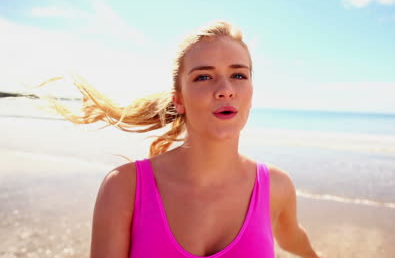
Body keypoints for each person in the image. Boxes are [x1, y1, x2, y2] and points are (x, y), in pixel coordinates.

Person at [40, 20, 323, 258]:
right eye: (203, 77)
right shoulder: (124, 188)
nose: (225, 90)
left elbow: (294, 239)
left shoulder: (276, 186)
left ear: (251, 92)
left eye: (238, 75)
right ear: (179, 101)